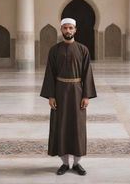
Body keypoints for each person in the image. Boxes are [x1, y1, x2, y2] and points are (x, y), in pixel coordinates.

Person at [40, 17, 97, 176]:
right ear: (61, 30)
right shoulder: (54, 50)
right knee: (61, 126)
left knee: (77, 127)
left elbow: (87, 74)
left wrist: (86, 95)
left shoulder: (83, 50)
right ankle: (64, 163)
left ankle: (78, 163)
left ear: (75, 30)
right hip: (59, 93)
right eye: (65, 28)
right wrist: (51, 95)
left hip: (78, 93)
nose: (68, 31)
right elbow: (49, 74)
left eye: (70, 28)